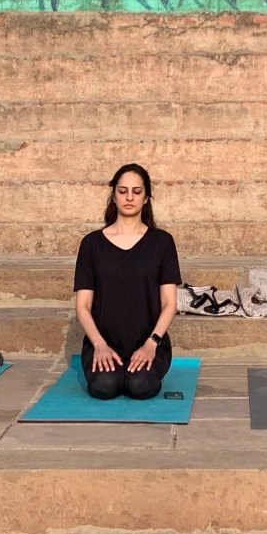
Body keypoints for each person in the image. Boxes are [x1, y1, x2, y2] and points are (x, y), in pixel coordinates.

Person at [74, 163, 181, 400]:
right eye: (122, 191)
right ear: (113, 196)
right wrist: (99, 345)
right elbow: (82, 306)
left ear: (146, 198)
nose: (129, 197)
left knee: (140, 386)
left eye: (137, 191)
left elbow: (170, 304)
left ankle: (146, 362)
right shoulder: (91, 244)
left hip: (149, 341)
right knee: (105, 387)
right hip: (102, 341)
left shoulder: (162, 242)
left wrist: (151, 343)